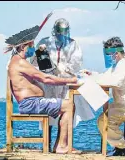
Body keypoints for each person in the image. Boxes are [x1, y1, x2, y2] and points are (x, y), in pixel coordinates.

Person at [5, 25, 78, 153]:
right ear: (23, 47)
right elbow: (46, 79)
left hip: (32, 102)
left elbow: (41, 71)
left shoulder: (17, 61)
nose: (33, 48)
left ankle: (59, 145)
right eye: (31, 46)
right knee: (69, 106)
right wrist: (70, 80)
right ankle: (61, 146)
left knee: (68, 105)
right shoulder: (20, 62)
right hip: (31, 103)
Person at [30, 18, 94, 151]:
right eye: (60, 32)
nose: (62, 35)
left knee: (67, 112)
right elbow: (36, 63)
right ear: (55, 31)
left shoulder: (73, 44)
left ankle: (61, 143)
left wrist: (63, 69)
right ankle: (46, 144)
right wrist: (42, 55)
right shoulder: (44, 42)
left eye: (64, 33)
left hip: (65, 83)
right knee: (48, 112)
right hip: (49, 82)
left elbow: (75, 63)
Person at [83, 37, 125, 156]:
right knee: (103, 118)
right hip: (124, 104)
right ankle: (123, 144)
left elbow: (116, 81)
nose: (108, 57)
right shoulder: (119, 64)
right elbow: (106, 76)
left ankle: (124, 146)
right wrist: (93, 75)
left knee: (103, 121)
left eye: (108, 54)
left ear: (115, 53)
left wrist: (94, 79)